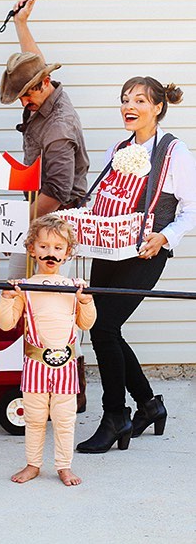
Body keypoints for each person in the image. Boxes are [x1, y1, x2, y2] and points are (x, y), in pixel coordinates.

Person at [76, 77, 196, 454]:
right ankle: (148, 405)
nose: (130, 106)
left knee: (105, 327)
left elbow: (191, 209)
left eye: (140, 100)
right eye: (125, 99)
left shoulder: (175, 152)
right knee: (103, 326)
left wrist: (165, 238)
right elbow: (107, 199)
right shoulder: (119, 147)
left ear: (158, 107)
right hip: (109, 247)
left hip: (147, 251)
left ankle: (115, 416)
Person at [0, 0, 91, 409]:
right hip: (41, 216)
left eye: (25, 95)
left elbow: (53, 190)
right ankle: (29, 375)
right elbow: (34, 61)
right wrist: (22, 23)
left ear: (42, 86)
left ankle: (58, 388)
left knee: (32, 297)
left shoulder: (58, 126)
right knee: (25, 298)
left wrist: (20, 230)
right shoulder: (50, 94)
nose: (23, 102)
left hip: (54, 224)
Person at [0, 215, 96, 486]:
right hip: (35, 364)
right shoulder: (25, 288)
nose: (50, 253)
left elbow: (86, 323)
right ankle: (33, 464)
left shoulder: (72, 288)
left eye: (57, 248)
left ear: (67, 253)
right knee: (35, 418)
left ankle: (64, 466)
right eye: (43, 247)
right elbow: (6, 323)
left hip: (66, 365)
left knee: (65, 419)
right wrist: (7, 298)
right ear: (32, 249)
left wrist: (86, 302)